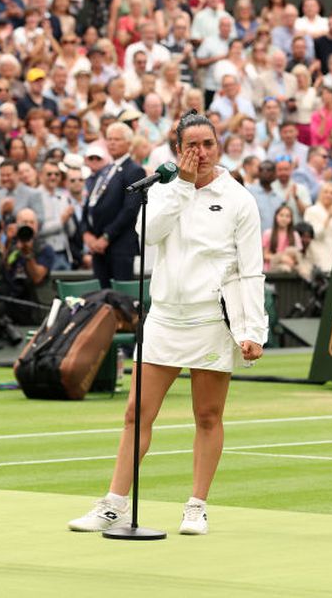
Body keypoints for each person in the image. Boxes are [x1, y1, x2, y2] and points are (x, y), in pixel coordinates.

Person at [67, 111, 267, 536]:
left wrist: (252, 331)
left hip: (212, 319)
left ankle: (196, 506)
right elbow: (149, 235)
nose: (201, 152)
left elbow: (251, 270)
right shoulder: (162, 190)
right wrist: (178, 186)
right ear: (178, 150)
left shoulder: (239, 199)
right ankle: (115, 504)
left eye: (208, 144)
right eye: (192, 145)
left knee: (208, 416)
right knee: (136, 413)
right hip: (164, 319)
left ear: (218, 145)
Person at [81, 122, 143, 288]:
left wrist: (106, 237)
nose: (112, 143)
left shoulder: (134, 170)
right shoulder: (105, 169)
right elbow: (90, 203)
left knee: (120, 299)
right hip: (97, 246)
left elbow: (130, 209)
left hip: (119, 246)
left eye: (117, 139)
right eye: (109, 139)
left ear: (129, 143)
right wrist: (86, 232)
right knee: (101, 297)